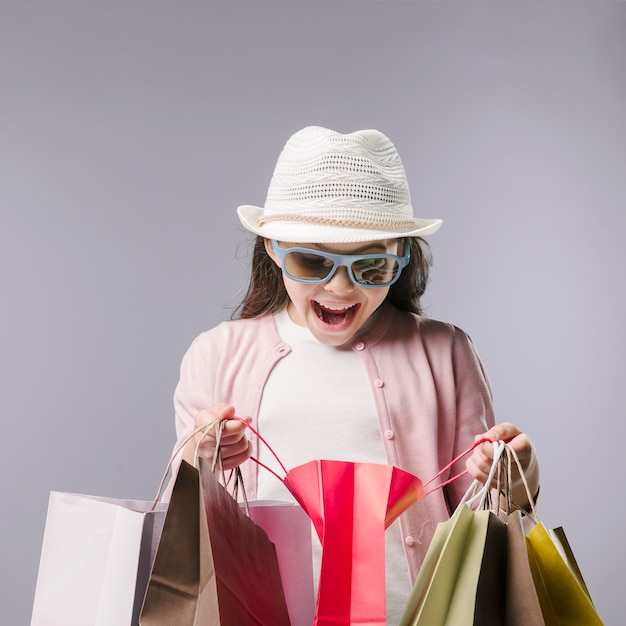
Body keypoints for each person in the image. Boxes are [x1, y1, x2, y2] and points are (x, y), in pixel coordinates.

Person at [171, 125, 540, 621]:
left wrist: (517, 480)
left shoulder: (444, 352)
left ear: (401, 258)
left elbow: (485, 516)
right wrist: (199, 461)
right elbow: (184, 524)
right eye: (312, 261)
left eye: (370, 267)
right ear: (273, 249)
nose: (340, 288)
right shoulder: (217, 353)